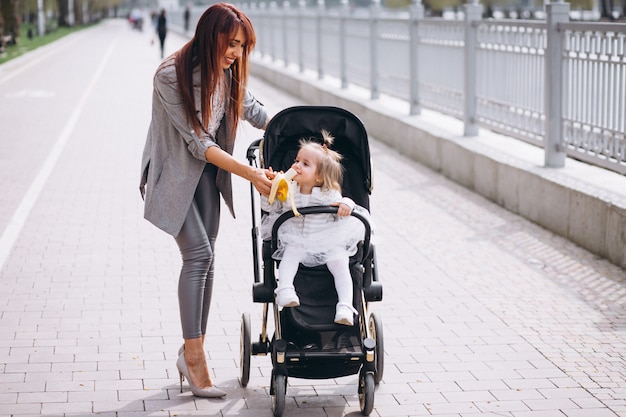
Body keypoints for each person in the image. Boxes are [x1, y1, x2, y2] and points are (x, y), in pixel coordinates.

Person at [139, 3, 273, 398]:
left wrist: (304, 126)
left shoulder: (227, 71)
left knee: (208, 255)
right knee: (197, 254)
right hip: (172, 173)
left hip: (206, 176)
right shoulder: (169, 75)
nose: (236, 53)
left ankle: (192, 347)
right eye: (232, 44)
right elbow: (198, 143)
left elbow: (255, 111)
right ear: (210, 34)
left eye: (242, 47)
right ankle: (194, 357)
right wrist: (249, 174)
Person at [260, 130, 365, 326]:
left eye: (305, 164)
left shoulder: (328, 194)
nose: (296, 166)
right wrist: (270, 191)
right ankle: (285, 289)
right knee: (290, 254)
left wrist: (346, 206)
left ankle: (345, 305)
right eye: (297, 160)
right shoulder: (289, 190)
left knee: (340, 262)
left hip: (326, 242)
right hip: (298, 239)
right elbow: (270, 208)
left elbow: (344, 203)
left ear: (318, 178)